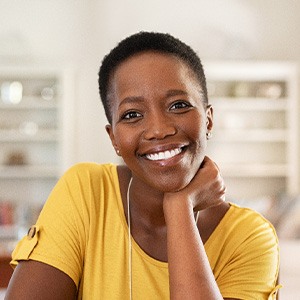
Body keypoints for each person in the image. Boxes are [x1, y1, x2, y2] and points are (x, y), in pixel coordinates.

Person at [6, 31, 280, 299]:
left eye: (179, 105)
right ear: (113, 137)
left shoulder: (250, 238)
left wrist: (178, 207)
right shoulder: (86, 192)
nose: (158, 130)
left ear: (208, 120)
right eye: (132, 114)